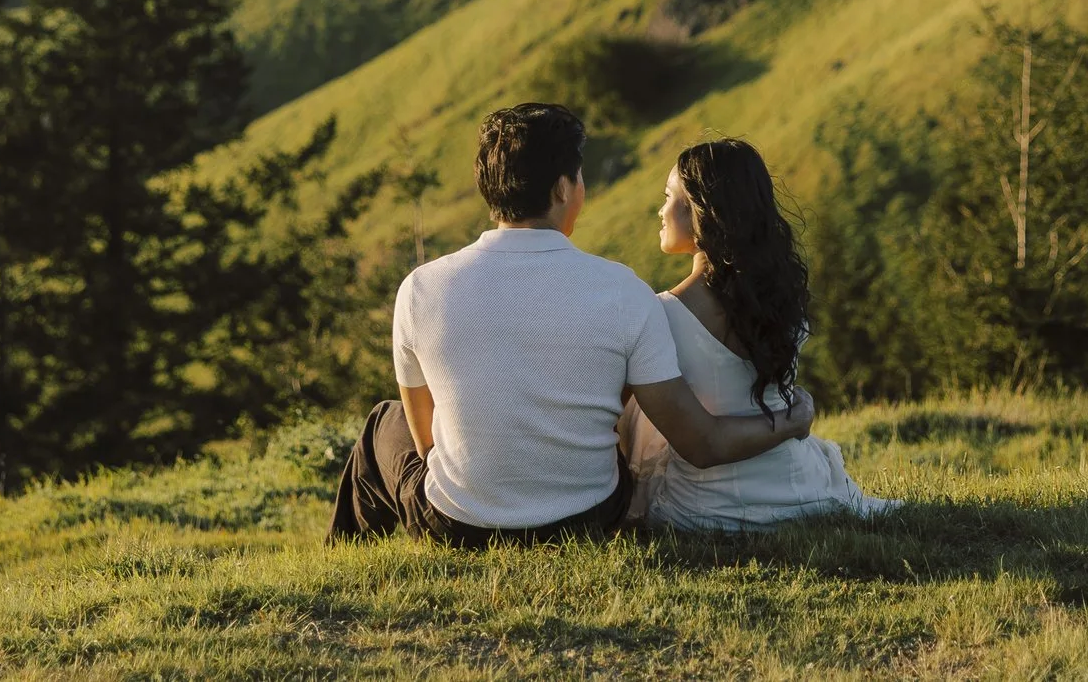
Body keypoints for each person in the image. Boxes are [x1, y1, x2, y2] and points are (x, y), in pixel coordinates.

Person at [330, 103, 817, 545]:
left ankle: (346, 562)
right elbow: (701, 441)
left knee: (383, 423)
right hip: (589, 520)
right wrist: (791, 420)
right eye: (579, 176)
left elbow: (427, 445)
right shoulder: (624, 291)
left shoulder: (421, 287)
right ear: (564, 188)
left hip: (459, 525)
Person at [622, 138, 894, 530]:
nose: (661, 211)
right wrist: (793, 421)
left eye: (668, 197)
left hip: (704, 508)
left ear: (699, 212)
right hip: (801, 490)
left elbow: (700, 444)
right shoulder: (782, 299)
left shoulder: (660, 313)